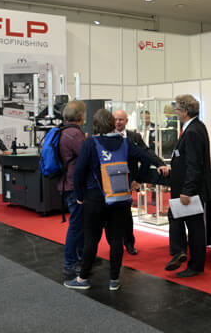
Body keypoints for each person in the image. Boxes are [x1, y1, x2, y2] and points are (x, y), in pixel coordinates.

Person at [65, 109, 153, 291]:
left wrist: (80, 196)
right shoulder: (125, 142)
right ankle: (114, 279)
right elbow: (146, 158)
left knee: (91, 240)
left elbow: (79, 172)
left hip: (95, 198)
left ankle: (82, 279)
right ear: (113, 123)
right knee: (116, 240)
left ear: (96, 125)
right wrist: (137, 180)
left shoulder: (91, 143)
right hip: (120, 199)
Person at [165, 94, 211, 277]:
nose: (175, 112)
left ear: (185, 111)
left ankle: (195, 265)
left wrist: (187, 191)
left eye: (177, 109)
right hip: (187, 187)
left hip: (190, 190)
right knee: (177, 218)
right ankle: (180, 252)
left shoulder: (192, 132)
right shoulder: (195, 127)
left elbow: (194, 164)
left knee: (194, 227)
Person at [113, 109, 169, 255]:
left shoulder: (134, 137)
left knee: (126, 214)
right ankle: (114, 244)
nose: (118, 122)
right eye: (115, 119)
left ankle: (129, 243)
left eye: (121, 119)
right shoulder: (106, 136)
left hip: (128, 182)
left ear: (126, 121)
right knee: (111, 215)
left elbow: (147, 153)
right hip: (110, 183)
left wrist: (160, 164)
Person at [57, 100, 87, 279]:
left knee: (78, 224)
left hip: (65, 183)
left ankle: (81, 257)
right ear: (81, 116)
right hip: (74, 185)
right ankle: (70, 263)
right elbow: (86, 156)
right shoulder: (75, 134)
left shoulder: (61, 131)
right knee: (76, 225)